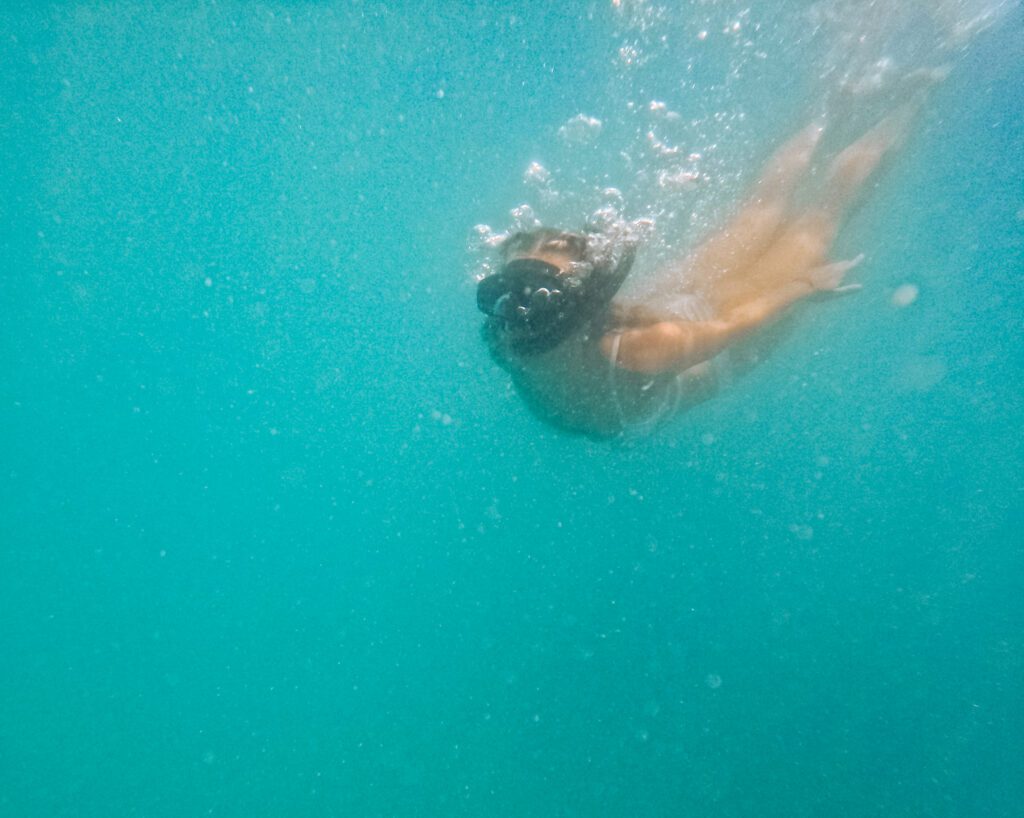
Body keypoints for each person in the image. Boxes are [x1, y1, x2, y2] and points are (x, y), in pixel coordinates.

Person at [477, 106, 917, 438]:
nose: (519, 303)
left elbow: (732, 324)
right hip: (658, 328)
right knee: (758, 213)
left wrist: (806, 286)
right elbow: (727, 324)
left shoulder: (511, 336)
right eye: (517, 291)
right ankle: (830, 109)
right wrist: (802, 285)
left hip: (686, 355)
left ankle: (910, 102)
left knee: (818, 221)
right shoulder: (618, 344)